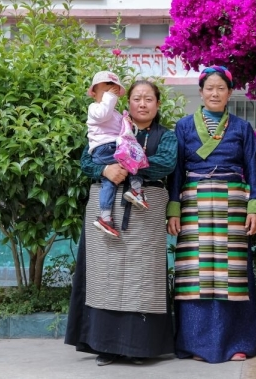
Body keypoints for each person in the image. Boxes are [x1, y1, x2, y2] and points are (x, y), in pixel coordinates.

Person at [65, 78, 177, 366]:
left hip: (145, 214)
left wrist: (128, 164)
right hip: (107, 210)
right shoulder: (109, 127)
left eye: (149, 99)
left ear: (158, 104)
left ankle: (140, 347)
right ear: (128, 102)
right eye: (137, 98)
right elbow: (86, 162)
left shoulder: (166, 136)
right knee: (106, 277)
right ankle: (105, 345)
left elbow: (167, 163)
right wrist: (105, 170)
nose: (142, 104)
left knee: (143, 280)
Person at [167, 65, 256, 364]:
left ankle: (237, 342)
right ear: (200, 92)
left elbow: (253, 168)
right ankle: (196, 344)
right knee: (195, 275)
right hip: (193, 203)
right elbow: (176, 171)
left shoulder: (242, 128)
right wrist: (173, 209)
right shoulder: (184, 127)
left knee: (232, 274)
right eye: (210, 88)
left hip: (232, 204)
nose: (215, 93)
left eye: (221, 88)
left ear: (230, 93)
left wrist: (255, 207)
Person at [86, 71, 149, 238]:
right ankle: (136, 189)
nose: (111, 91)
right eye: (107, 88)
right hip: (105, 148)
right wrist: (110, 97)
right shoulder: (95, 108)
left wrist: (127, 123)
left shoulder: (114, 113)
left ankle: (105, 216)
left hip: (110, 148)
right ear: (94, 93)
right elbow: (103, 114)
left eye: (114, 89)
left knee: (109, 182)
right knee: (134, 159)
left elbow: (123, 133)